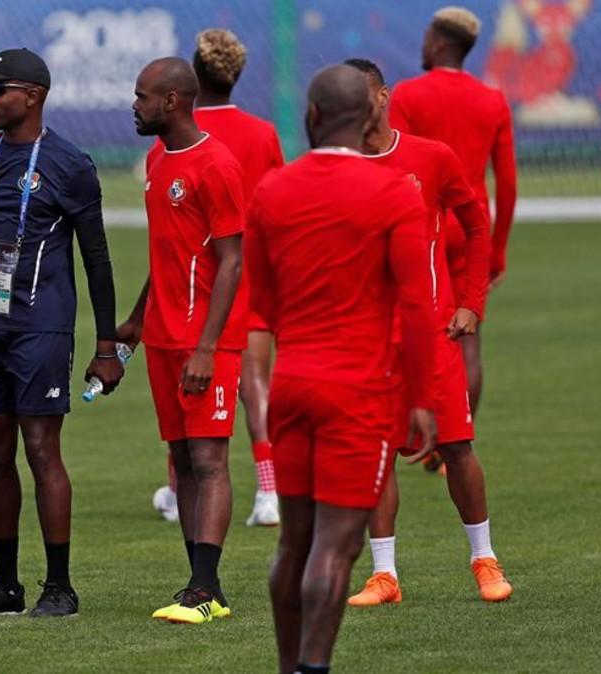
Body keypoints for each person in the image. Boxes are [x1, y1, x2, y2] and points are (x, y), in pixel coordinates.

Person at [247, 65, 438, 673]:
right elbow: (415, 304)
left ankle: (286, 667)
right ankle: (314, 669)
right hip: (357, 390)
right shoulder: (394, 193)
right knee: (337, 545)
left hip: (292, 383)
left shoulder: (271, 190)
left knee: (293, 541)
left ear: (310, 117)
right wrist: (423, 398)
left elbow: (264, 298)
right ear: (375, 118)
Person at [0, 48, 123, 617]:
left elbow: (98, 260)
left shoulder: (70, 164)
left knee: (42, 451)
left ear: (34, 95)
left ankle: (60, 587)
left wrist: (105, 346)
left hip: (41, 328)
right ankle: (4, 585)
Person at [345, 58, 512, 607]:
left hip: (432, 334)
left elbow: (476, 223)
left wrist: (472, 303)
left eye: (362, 95)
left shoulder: (431, 157)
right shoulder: (336, 167)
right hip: (368, 342)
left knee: (458, 447)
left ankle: (485, 560)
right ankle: (385, 575)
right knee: (376, 454)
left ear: (384, 95)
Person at [118, 57, 246, 625]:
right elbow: (169, 252)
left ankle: (206, 587)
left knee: (209, 458)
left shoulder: (216, 164)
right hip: (163, 336)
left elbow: (232, 261)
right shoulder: (155, 159)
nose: (135, 105)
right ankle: (199, 583)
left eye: (143, 96)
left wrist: (208, 347)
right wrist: (136, 319)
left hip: (204, 341)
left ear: (171, 101)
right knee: (180, 458)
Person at [146, 28, 286, 528]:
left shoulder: (181, 135)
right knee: (255, 385)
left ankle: (178, 487)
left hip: (207, 285)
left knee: (194, 404)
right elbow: (274, 209)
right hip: (252, 279)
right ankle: (268, 490)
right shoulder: (262, 133)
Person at [390, 6, 517, 429]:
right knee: (469, 341)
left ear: (440, 43)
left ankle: (410, 425)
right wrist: (496, 251)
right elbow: (508, 182)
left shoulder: (407, 95)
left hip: (422, 226)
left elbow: (393, 165)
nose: (423, 44)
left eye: (427, 37)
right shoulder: (492, 100)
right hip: (470, 225)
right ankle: (454, 440)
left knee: (407, 326)